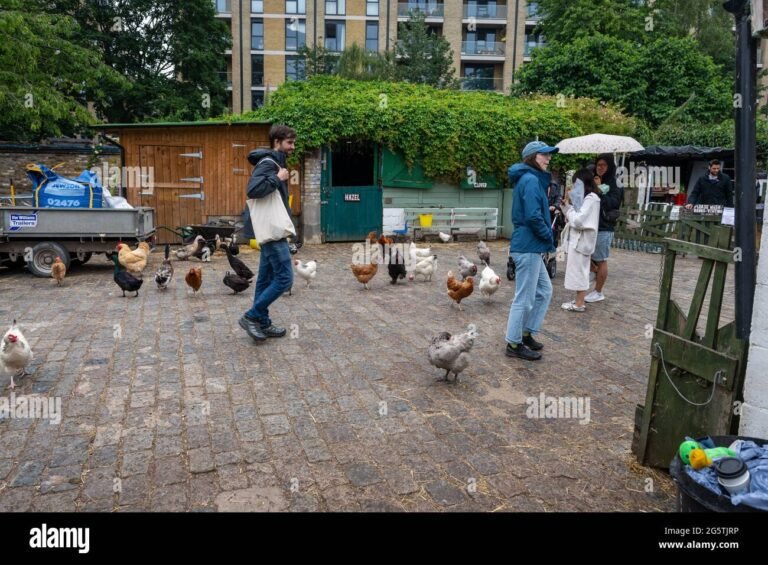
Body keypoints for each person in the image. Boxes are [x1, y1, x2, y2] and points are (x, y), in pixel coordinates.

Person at [239, 125, 296, 342]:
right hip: (272, 231)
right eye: (289, 143)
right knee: (284, 278)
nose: (292, 147)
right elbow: (253, 190)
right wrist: (277, 178)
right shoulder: (268, 164)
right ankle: (251, 316)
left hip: (273, 229)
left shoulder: (275, 163)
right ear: (277, 142)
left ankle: (261, 321)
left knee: (265, 279)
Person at [505, 141, 559, 361]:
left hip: (531, 245)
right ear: (531, 158)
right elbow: (533, 216)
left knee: (544, 291)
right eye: (543, 155)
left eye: (548, 155)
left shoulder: (531, 179)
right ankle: (513, 343)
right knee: (524, 298)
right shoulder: (530, 179)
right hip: (529, 245)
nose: (548, 159)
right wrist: (548, 235)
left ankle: (526, 333)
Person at [585, 153, 623, 303]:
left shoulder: (615, 183)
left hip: (604, 225)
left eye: (603, 165)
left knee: (601, 259)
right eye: (598, 165)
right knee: (585, 253)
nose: (600, 168)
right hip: (589, 224)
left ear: (610, 167)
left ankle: (598, 291)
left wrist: (600, 192)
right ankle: (594, 272)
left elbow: (613, 203)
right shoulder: (593, 179)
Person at [561, 169, 601, 312]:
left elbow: (578, 220)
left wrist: (570, 210)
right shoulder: (588, 198)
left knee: (580, 270)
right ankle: (579, 299)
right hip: (579, 239)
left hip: (582, 240)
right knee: (578, 270)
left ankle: (579, 303)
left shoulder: (591, 198)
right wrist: (568, 207)